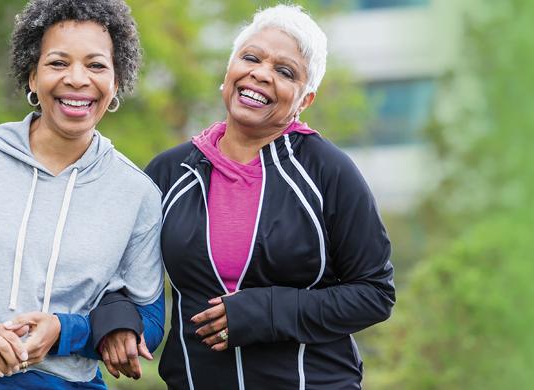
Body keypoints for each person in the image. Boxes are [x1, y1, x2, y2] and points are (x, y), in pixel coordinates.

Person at [94, 4, 396, 389]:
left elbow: (374, 293)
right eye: (250, 58)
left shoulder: (329, 172)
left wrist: (268, 311)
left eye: (285, 72)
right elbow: (116, 269)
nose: (260, 74)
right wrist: (115, 320)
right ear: (228, 72)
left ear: (305, 100)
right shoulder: (170, 173)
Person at [0, 0, 164, 387]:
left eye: (96, 65)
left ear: (116, 82)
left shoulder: (137, 193)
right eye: (57, 63)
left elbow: (150, 322)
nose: (77, 79)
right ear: (32, 76)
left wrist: (64, 331)